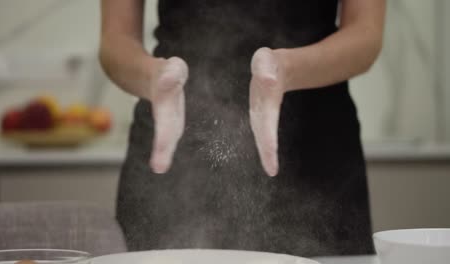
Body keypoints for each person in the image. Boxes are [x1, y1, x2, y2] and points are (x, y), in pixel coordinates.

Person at [100, 0, 386, 257]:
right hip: (174, 135)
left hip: (312, 149)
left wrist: (285, 69)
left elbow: (366, 33)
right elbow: (116, 39)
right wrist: (153, 76)